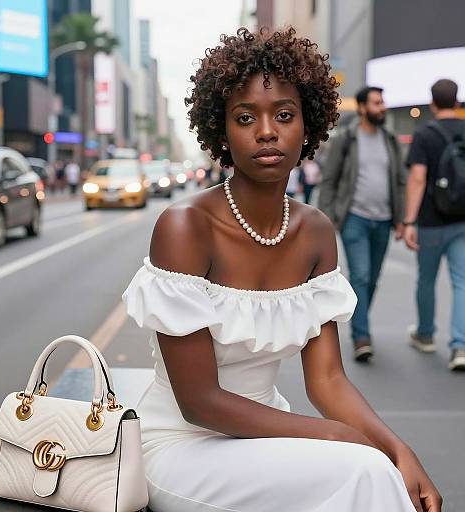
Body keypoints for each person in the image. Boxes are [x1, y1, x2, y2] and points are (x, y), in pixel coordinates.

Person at [122, 27, 440, 512]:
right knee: (365, 471)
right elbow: (199, 401)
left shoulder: (314, 232)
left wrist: (398, 449)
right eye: (245, 117)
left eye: (284, 115)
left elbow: (328, 380)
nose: (266, 131)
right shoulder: (185, 228)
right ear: (221, 131)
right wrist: (336, 436)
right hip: (182, 445)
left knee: (380, 469)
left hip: (269, 435)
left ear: (308, 125)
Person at [318, 86, 406, 362]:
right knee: (361, 275)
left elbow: (400, 182)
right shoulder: (347, 139)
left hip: (383, 220)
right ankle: (361, 337)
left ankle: (361, 321)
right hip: (354, 217)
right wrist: (327, 217)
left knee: (372, 278)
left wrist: (402, 219)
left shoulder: (390, 140)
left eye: (383, 102)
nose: (383, 107)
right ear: (363, 108)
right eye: (377, 103)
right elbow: (329, 179)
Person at [404, 78, 465, 371]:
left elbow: (417, 178)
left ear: (432, 102)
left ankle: (426, 335)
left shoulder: (425, 134)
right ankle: (460, 346)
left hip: (430, 220)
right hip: (462, 220)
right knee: (462, 282)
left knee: (426, 279)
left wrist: (409, 220)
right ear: (456, 101)